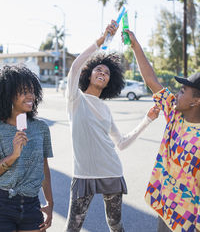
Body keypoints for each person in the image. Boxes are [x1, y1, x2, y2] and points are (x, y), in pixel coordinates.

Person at [64, 20, 160, 232]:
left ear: (109, 82)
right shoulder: (75, 99)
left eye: (107, 73)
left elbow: (122, 143)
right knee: (73, 228)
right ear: (88, 74)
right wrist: (102, 39)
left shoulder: (106, 109)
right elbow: (75, 66)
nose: (102, 73)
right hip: (84, 175)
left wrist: (148, 119)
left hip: (111, 171)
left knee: (115, 225)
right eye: (98, 69)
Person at [125, 29, 200, 232]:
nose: (177, 93)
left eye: (183, 91)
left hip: (190, 222)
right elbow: (151, 81)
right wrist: (135, 45)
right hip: (167, 211)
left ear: (196, 101)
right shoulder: (175, 115)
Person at [0, 65, 54, 232]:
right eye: (24, 91)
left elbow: (44, 167)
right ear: (8, 95)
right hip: (3, 204)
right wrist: (13, 155)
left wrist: (50, 204)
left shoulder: (41, 128)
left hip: (32, 204)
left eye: (32, 91)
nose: (30, 95)